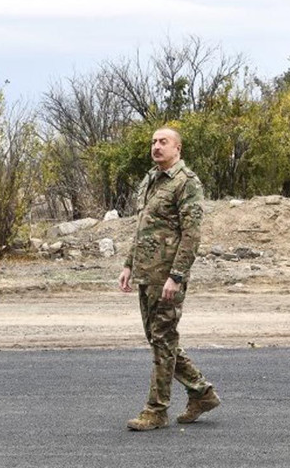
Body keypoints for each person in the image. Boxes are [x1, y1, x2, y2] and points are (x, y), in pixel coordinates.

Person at [119, 127, 220, 431]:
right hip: (146, 273)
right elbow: (143, 227)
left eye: (163, 142)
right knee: (159, 338)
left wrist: (176, 275)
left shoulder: (186, 182)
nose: (156, 146)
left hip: (167, 275)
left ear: (178, 148)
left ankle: (156, 410)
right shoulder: (151, 179)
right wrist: (128, 264)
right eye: (153, 142)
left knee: (162, 338)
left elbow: (191, 234)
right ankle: (201, 393)